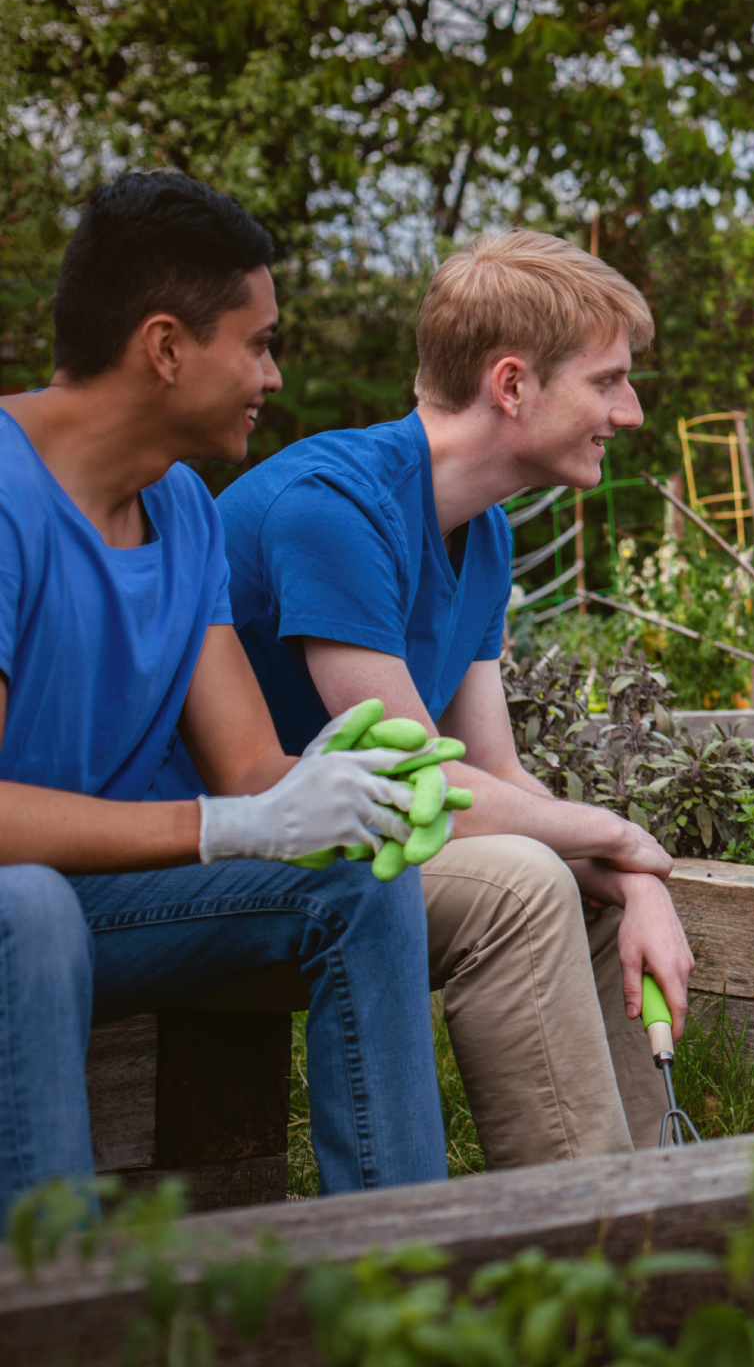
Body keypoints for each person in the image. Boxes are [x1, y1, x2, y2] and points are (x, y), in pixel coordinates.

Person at [153, 228, 689, 1166]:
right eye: (608, 381)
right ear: (512, 384)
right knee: (525, 882)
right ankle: (585, 1238)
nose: (632, 410)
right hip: (209, 866)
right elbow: (414, 777)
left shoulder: (479, 535)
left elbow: (491, 772)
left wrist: (630, 873)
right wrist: (621, 834)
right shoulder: (334, 507)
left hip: (344, 849)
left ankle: (658, 1204)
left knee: (583, 879)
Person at [0, 170, 447, 1213]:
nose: (274, 375)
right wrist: (225, 826)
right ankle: (61, 1311)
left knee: (358, 881)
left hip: (92, 906)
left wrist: (346, 781)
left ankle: (405, 1273)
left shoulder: (185, 510)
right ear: (164, 347)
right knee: (26, 907)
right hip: (22, 908)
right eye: (257, 342)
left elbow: (250, 767)